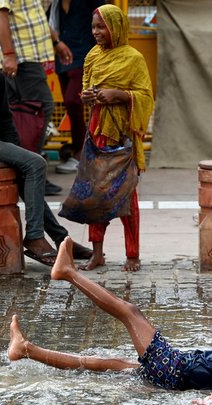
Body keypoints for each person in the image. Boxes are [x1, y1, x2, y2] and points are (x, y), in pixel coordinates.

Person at [8, 236, 212, 405]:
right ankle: (25, 349)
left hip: (173, 367)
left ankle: (68, 273)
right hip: (173, 373)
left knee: (130, 312)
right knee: (103, 363)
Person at [0, 18, 92, 266]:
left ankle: (62, 239)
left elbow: (5, 120)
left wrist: (17, 152)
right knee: (36, 164)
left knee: (27, 171)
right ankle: (34, 238)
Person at [71, 4, 154, 272]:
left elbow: (145, 96)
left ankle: (132, 254)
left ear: (116, 28)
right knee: (97, 195)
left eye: (101, 27)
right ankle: (97, 253)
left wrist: (120, 96)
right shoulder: (92, 56)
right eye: (94, 27)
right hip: (97, 134)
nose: (96, 32)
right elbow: (87, 90)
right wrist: (87, 97)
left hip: (122, 137)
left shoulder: (133, 58)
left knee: (127, 195)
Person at [0, 0, 63, 195]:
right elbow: (0, 16)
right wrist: (9, 54)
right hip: (20, 59)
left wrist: (56, 41)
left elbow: (32, 13)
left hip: (26, 57)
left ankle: (24, 171)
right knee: (38, 110)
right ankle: (30, 171)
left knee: (23, 116)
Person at [47, 0, 105, 174]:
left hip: (85, 57)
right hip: (63, 59)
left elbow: (103, 23)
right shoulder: (55, 4)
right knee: (70, 105)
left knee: (74, 101)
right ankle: (78, 148)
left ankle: (81, 153)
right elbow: (47, 24)